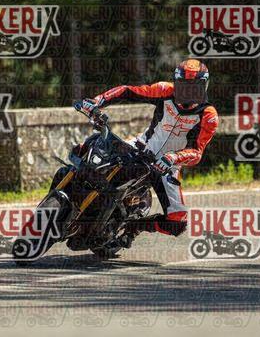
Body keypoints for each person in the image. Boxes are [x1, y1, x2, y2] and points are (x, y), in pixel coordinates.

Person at [80, 59, 219, 236]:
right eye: (184, 87)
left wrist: (174, 157)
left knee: (177, 223)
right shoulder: (164, 90)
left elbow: (197, 153)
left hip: (168, 166)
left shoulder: (208, 115)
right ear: (176, 84)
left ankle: (135, 226)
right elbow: (128, 91)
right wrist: (98, 100)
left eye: (194, 88)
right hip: (140, 148)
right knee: (89, 146)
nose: (188, 93)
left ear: (204, 87)